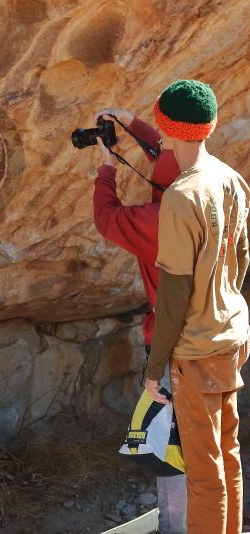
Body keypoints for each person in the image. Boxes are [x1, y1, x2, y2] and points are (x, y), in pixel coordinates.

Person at [144, 79, 249, 534]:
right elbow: (242, 257)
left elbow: (172, 298)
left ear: (166, 129)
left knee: (204, 478)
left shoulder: (181, 196)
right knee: (228, 459)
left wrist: (155, 367)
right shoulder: (231, 179)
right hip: (231, 336)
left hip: (196, 351)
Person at [92, 106, 185, 534]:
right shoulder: (215, 187)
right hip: (218, 340)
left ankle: (176, 529)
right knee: (211, 445)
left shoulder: (160, 222)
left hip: (175, 351)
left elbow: (107, 218)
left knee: (171, 448)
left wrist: (107, 170)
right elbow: (169, 155)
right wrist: (131, 123)